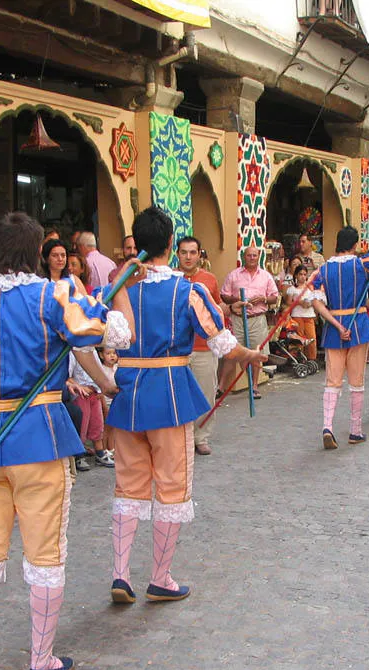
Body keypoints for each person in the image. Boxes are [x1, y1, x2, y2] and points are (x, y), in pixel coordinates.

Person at [0, 211, 137, 670]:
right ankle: (41, 658)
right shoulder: (53, 295)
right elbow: (115, 335)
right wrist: (111, 299)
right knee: (45, 553)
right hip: (39, 437)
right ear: (37, 252)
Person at [105, 206, 265, 605]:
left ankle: (120, 573)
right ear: (172, 246)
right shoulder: (187, 290)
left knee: (128, 485)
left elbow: (107, 340)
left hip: (128, 393)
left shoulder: (118, 290)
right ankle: (160, 576)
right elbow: (220, 341)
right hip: (170, 393)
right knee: (172, 485)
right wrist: (251, 355)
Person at [311, 225, 369, 449]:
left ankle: (327, 426)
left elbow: (316, 302)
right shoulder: (363, 263)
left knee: (332, 381)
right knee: (356, 381)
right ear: (353, 245)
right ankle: (355, 430)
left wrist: (335, 323)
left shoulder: (323, 269)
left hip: (334, 327)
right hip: (358, 326)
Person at [177, 236, 222, 456]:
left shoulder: (209, 280)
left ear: (199, 254)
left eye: (192, 252)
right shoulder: (172, 280)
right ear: (177, 254)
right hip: (178, 349)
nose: (188, 257)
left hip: (204, 347)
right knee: (180, 395)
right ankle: (182, 438)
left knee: (206, 393)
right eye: (184, 252)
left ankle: (201, 437)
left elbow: (217, 310)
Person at [220, 245, 279, 400]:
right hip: (238, 319)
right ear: (243, 257)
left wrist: (263, 299)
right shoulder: (234, 275)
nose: (252, 258)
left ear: (258, 256)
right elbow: (224, 295)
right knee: (233, 352)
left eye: (254, 255)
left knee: (256, 354)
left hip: (257, 319)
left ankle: (254, 386)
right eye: (249, 255)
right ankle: (220, 388)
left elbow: (275, 297)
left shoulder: (266, 276)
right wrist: (238, 300)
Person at [285, 264, 322, 364]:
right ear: (296, 275)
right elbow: (288, 302)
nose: (302, 276)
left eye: (304, 274)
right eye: (300, 274)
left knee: (311, 337)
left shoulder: (310, 288)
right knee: (299, 338)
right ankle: (299, 359)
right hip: (297, 315)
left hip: (309, 314)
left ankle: (312, 359)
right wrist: (299, 302)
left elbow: (316, 299)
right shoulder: (292, 289)